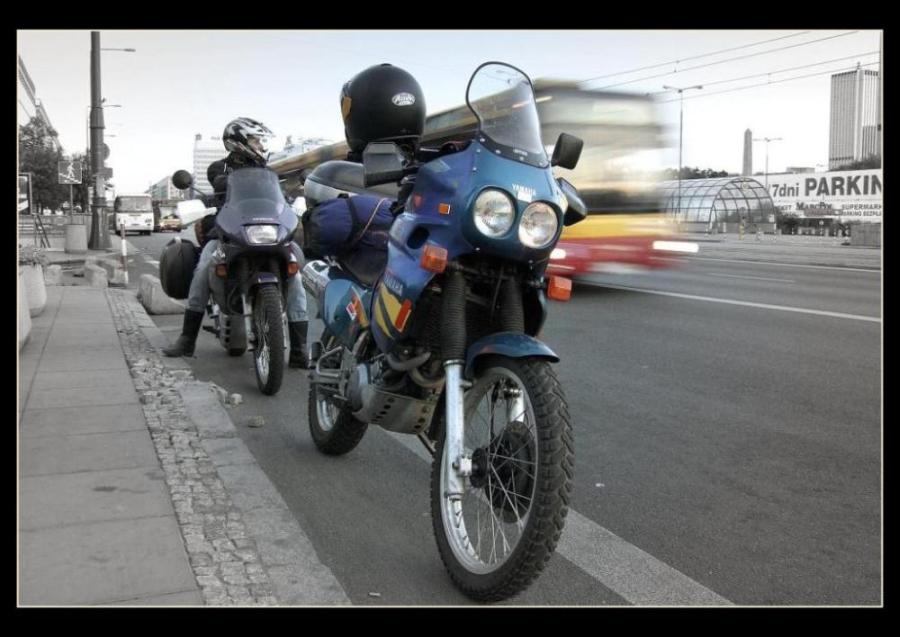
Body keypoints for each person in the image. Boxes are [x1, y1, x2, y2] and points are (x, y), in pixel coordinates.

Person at [163, 117, 310, 368]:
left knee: (296, 275)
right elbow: (219, 183)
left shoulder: (268, 171)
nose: (260, 145)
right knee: (203, 268)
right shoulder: (219, 168)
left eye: (260, 141)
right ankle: (186, 340)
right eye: (255, 140)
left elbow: (278, 197)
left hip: (266, 230)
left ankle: (299, 350)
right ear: (238, 142)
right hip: (228, 232)